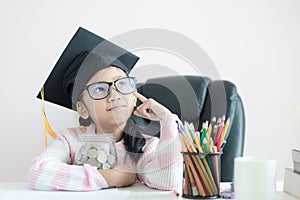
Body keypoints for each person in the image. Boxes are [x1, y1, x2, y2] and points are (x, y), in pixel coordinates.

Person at [28, 27, 183, 191]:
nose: (114, 95)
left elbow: (168, 182)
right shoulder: (72, 141)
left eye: (122, 84)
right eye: (100, 89)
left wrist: (167, 118)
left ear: (133, 96)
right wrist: (110, 177)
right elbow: (38, 173)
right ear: (82, 109)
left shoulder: (145, 146)